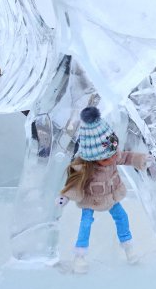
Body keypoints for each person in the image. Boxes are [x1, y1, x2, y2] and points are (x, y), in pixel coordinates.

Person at [57, 106, 147, 273]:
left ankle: (128, 247)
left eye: (114, 152)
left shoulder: (112, 153)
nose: (114, 157)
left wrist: (140, 160)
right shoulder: (84, 166)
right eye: (107, 157)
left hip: (110, 196)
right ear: (93, 156)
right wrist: (65, 196)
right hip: (91, 199)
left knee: (122, 217)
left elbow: (126, 156)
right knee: (86, 223)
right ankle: (80, 256)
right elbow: (74, 182)